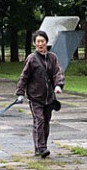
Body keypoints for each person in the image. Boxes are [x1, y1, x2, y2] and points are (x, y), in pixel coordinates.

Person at [15, 30, 65, 158]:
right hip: (35, 97)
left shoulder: (53, 57)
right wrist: (20, 93)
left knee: (46, 122)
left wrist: (59, 85)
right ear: (34, 44)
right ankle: (42, 148)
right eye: (38, 41)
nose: (40, 44)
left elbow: (58, 72)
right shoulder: (31, 59)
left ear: (46, 42)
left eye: (42, 41)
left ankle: (40, 146)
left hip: (49, 98)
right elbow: (24, 77)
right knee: (39, 120)